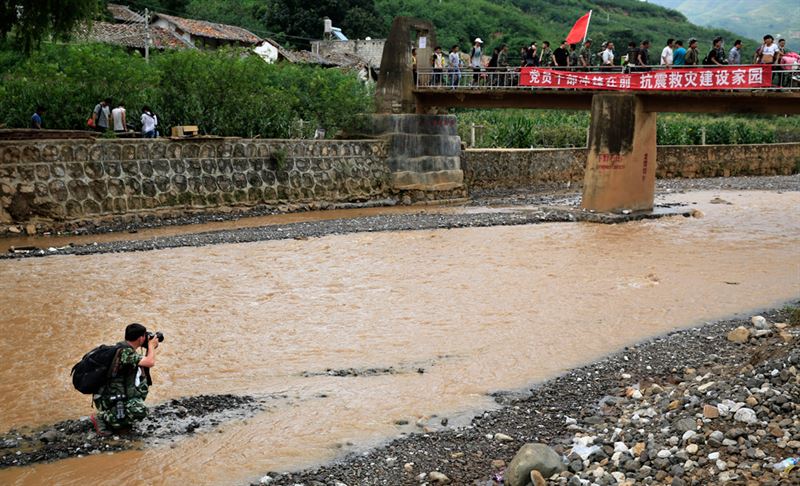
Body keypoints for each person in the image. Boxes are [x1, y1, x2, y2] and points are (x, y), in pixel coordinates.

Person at [91, 323, 159, 434]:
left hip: (114, 395)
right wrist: (151, 346)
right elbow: (150, 362)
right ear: (141, 338)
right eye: (144, 335)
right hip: (108, 398)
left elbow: (144, 365)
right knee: (140, 411)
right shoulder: (125, 352)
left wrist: (148, 347)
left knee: (138, 396)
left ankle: (119, 420)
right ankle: (102, 418)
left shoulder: (123, 348)